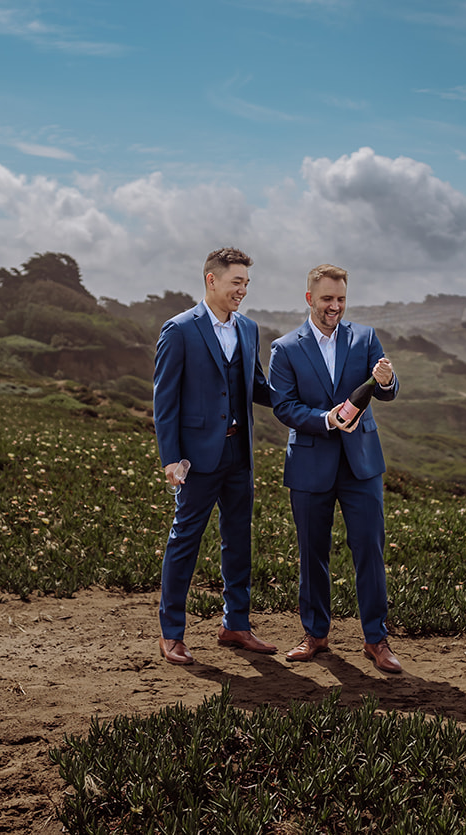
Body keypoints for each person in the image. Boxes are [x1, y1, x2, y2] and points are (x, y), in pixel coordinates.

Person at [267, 264, 402, 673]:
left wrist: (388, 378)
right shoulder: (285, 348)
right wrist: (326, 419)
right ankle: (315, 634)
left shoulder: (365, 338)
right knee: (312, 553)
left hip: (361, 464)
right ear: (310, 298)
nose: (335, 306)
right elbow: (284, 407)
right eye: (327, 299)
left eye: (341, 299)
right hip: (310, 463)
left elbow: (388, 391)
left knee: (369, 551)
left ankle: (376, 640)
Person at [152, 247, 276, 665]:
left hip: (238, 453)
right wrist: (171, 458)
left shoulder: (249, 329)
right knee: (184, 542)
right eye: (236, 282)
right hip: (196, 459)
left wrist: (302, 398)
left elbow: (257, 386)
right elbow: (164, 401)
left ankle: (235, 624)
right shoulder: (179, 330)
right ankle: (172, 633)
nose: (242, 290)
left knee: (239, 541)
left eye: (246, 283)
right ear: (212, 280)